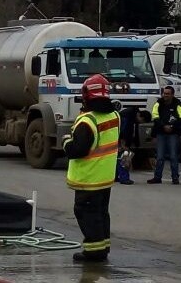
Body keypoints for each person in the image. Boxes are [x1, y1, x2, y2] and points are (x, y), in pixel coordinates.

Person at [62, 74, 119, 262]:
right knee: (101, 213)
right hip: (105, 177)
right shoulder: (114, 115)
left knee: (86, 213)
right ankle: (103, 247)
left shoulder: (87, 121)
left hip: (89, 178)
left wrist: (66, 143)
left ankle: (93, 251)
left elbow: (78, 150)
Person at [147, 86, 181, 185]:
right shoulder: (158, 103)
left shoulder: (178, 104)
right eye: (164, 93)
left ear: (172, 94)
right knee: (160, 157)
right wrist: (163, 126)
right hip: (161, 133)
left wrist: (172, 127)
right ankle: (157, 177)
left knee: (173, 156)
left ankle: (175, 178)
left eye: (168, 94)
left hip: (173, 133)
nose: (165, 95)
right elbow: (155, 116)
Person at [116, 107, 150, 185]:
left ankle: (116, 176)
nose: (141, 123)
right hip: (121, 140)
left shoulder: (132, 115)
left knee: (118, 158)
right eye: (142, 121)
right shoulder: (128, 116)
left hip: (119, 139)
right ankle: (124, 178)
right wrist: (124, 144)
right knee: (125, 158)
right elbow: (124, 130)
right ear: (140, 116)